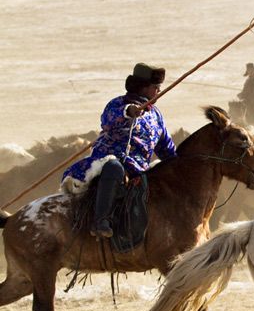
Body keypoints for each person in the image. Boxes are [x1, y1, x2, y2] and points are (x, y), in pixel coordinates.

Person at [61, 63, 177, 238]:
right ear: (143, 88)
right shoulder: (118, 103)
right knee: (114, 168)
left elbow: (166, 147)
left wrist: (181, 162)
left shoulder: (156, 115)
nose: (158, 91)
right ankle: (100, 221)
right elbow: (107, 120)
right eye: (155, 88)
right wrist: (128, 112)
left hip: (140, 168)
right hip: (108, 160)